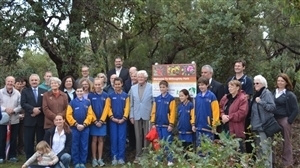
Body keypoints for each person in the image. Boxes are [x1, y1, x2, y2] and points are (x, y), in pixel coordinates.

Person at [225, 59, 253, 153]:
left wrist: (237, 103)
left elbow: (247, 95)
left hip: (242, 112)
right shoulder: (230, 79)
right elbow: (227, 95)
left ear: (243, 67)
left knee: (244, 136)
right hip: (230, 113)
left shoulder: (247, 80)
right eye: (235, 65)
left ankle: (248, 158)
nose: (237, 67)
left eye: (239, 66)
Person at [66, 85, 96, 168]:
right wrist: (76, 124)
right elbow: (68, 115)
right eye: (78, 91)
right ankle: (76, 162)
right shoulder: (72, 103)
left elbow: (90, 115)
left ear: (83, 92)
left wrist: (84, 124)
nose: (79, 92)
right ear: (75, 92)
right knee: (75, 145)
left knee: (84, 145)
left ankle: (82, 162)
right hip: (74, 128)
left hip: (85, 128)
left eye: (81, 91)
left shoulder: (87, 102)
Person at [273, 73, 299, 168]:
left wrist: (289, 121)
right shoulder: (273, 92)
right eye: (278, 80)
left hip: (284, 119)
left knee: (286, 141)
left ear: (286, 82)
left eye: (282, 81)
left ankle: (287, 163)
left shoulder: (289, 95)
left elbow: (296, 109)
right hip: (273, 119)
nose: (280, 82)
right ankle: (271, 161)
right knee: (270, 139)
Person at [250, 75, 275, 167]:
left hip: (264, 126)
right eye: (254, 83)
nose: (255, 85)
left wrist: (261, 102)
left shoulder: (266, 93)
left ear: (263, 84)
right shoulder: (257, 94)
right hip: (256, 126)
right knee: (259, 150)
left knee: (266, 150)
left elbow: (272, 107)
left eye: (257, 83)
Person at [21, 74, 48, 159]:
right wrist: (32, 109)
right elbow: (23, 103)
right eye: (32, 80)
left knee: (41, 140)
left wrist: (38, 110)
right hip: (30, 119)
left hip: (40, 119)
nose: (34, 82)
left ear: (39, 81)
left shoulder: (44, 91)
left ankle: (40, 157)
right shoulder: (25, 91)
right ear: (29, 82)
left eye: (36, 80)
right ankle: (29, 157)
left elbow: (46, 104)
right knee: (29, 140)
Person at [151, 80, 176, 166]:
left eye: (164, 87)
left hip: (166, 125)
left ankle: (170, 159)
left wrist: (171, 124)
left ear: (167, 88)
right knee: (158, 143)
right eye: (160, 87)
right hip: (158, 124)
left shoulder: (171, 99)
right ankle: (159, 158)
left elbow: (173, 112)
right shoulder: (157, 98)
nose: (162, 89)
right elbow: (154, 111)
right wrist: (153, 122)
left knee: (168, 142)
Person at [129, 70, 152, 163]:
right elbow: (131, 103)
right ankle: (138, 155)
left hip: (148, 114)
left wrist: (153, 115)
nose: (140, 79)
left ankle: (146, 155)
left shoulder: (151, 87)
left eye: (142, 77)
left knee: (147, 135)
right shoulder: (133, 88)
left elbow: (153, 101)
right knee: (138, 135)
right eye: (139, 77)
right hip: (136, 114)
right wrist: (131, 116)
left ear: (146, 78)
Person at [219, 80, 248, 152]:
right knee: (226, 151)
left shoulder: (242, 98)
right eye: (229, 87)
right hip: (225, 128)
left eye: (232, 86)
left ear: (238, 88)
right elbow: (220, 108)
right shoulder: (225, 97)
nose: (230, 88)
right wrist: (222, 115)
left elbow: (242, 113)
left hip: (236, 129)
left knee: (237, 152)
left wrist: (229, 117)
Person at [106, 77, 130, 165]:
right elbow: (108, 108)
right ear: (113, 85)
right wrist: (112, 117)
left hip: (122, 121)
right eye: (115, 84)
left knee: (121, 139)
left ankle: (121, 157)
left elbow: (127, 108)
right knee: (114, 139)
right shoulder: (110, 96)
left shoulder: (126, 96)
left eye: (118, 84)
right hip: (113, 121)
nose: (117, 86)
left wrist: (124, 118)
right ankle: (114, 157)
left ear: (122, 84)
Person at [0, 76, 22, 163]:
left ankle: (12, 155)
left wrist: (14, 110)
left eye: (11, 82)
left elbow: (20, 105)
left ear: (14, 82)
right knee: (1, 138)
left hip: (14, 119)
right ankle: (1, 156)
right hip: (2, 120)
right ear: (5, 82)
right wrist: (5, 109)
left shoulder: (18, 93)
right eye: (8, 81)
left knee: (13, 138)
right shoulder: (0, 92)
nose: (10, 83)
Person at [192, 77, 219, 147]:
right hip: (198, 127)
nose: (201, 87)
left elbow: (216, 112)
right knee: (199, 147)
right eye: (199, 85)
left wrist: (214, 125)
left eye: (203, 85)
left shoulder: (212, 96)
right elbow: (194, 111)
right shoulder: (197, 97)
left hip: (208, 127)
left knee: (208, 148)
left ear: (207, 85)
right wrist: (193, 123)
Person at [88, 77, 109, 167]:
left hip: (102, 122)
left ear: (102, 85)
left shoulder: (106, 95)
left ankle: (100, 158)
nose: (97, 86)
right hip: (93, 122)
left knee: (101, 140)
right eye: (96, 84)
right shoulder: (90, 95)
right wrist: (95, 120)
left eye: (99, 84)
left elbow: (106, 109)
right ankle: (94, 159)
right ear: (93, 85)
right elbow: (90, 109)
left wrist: (101, 120)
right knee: (94, 139)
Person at [177, 89, 195, 156]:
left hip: (188, 131)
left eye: (182, 96)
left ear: (187, 96)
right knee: (183, 148)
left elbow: (193, 116)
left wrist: (193, 125)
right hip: (181, 131)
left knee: (189, 148)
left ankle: (190, 164)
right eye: (180, 96)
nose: (180, 97)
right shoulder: (179, 106)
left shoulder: (190, 105)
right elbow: (179, 118)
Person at [15, 77, 26, 155]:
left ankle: (20, 148)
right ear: (14, 84)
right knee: (14, 134)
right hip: (14, 116)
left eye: (20, 84)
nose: (19, 85)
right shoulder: (13, 93)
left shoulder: (24, 92)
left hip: (23, 117)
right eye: (18, 84)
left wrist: (23, 114)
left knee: (21, 134)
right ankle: (13, 149)